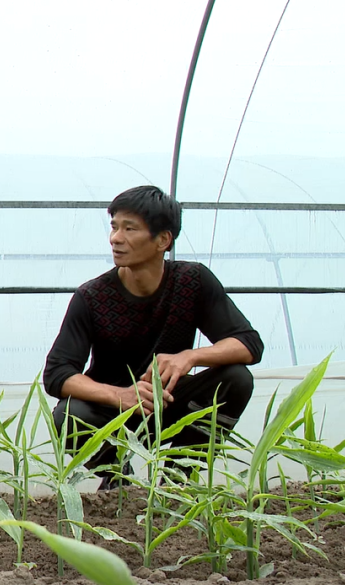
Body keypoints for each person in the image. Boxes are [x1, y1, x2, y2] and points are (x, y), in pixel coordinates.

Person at [43, 185, 263, 489]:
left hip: (171, 403)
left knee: (237, 379)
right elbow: (57, 374)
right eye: (114, 227)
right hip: (113, 412)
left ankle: (178, 476)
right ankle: (117, 479)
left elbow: (248, 343)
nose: (115, 238)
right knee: (69, 415)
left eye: (129, 228)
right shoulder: (92, 297)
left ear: (163, 240)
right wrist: (119, 396)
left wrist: (190, 356)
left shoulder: (193, 282)